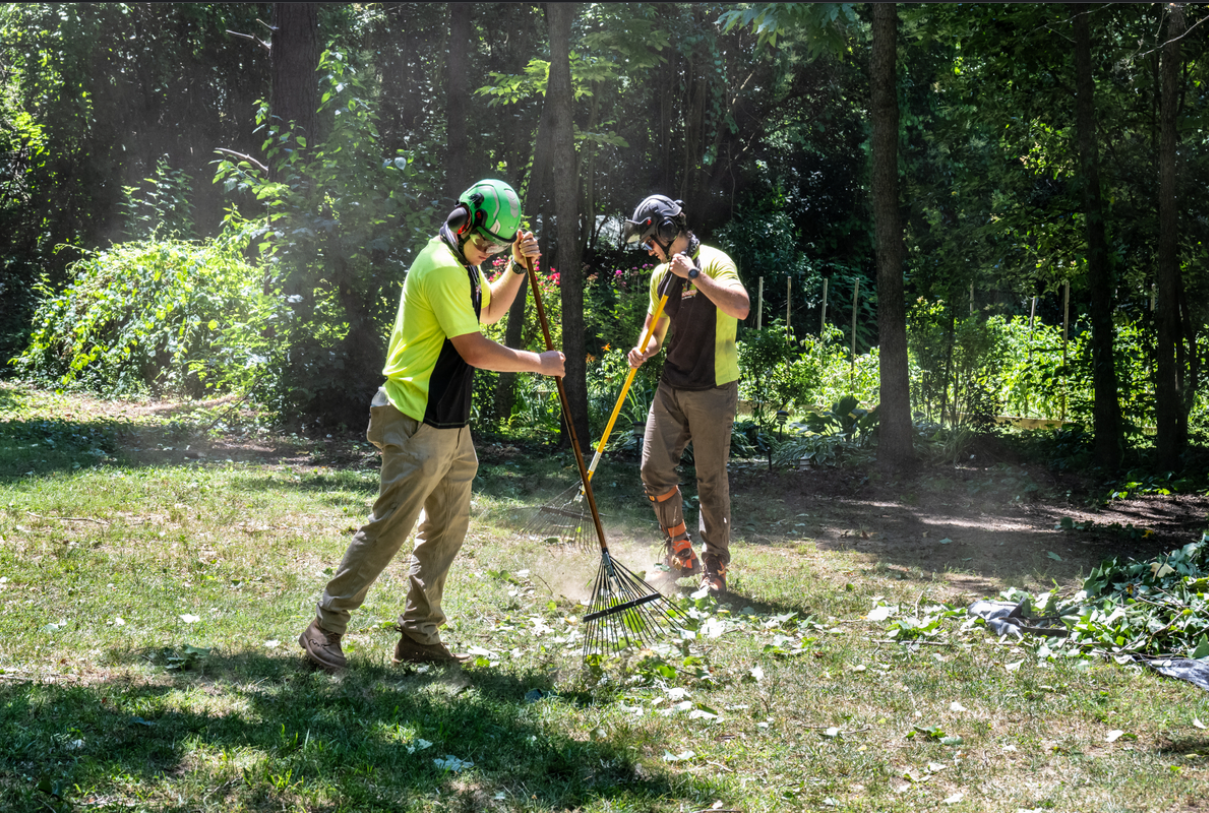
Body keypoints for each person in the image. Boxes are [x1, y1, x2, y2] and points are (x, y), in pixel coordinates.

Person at [299, 179, 565, 671]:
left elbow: (489, 311)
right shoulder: (442, 266)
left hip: (449, 424)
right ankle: (325, 628)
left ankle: (419, 634)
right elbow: (475, 349)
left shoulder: (464, 263)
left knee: (445, 528)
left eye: (497, 247)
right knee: (389, 528)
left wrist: (516, 267)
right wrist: (539, 363)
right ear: (462, 222)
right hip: (414, 418)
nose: (487, 252)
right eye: (484, 242)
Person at [622, 195, 750, 595]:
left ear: (666, 230)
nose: (649, 250)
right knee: (652, 469)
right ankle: (682, 553)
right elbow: (655, 334)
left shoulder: (714, 261)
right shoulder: (660, 276)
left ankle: (715, 566)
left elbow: (741, 307)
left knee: (710, 480)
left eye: (650, 241)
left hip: (713, 387)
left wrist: (694, 274)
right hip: (672, 386)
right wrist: (643, 350)